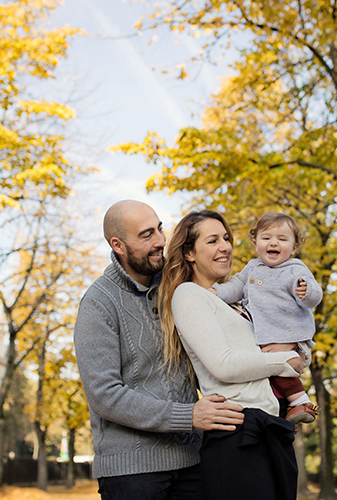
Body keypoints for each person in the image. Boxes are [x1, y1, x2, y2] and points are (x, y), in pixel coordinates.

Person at [74, 200, 245, 500]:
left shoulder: (178, 287)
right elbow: (104, 395)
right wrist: (187, 416)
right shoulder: (98, 303)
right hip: (132, 473)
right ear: (118, 245)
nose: (160, 241)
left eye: (160, 229)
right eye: (146, 235)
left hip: (193, 462)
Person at [158, 210, 306, 500]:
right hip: (237, 434)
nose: (225, 246)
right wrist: (285, 362)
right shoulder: (188, 295)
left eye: (226, 238)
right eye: (212, 240)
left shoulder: (237, 301)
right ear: (189, 253)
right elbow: (223, 365)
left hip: (269, 428)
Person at [212, 212, 322, 424]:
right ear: (255, 243)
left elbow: (314, 295)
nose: (274, 243)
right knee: (265, 376)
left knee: (275, 363)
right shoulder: (253, 267)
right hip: (263, 336)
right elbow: (236, 286)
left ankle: (300, 400)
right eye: (266, 238)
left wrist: (307, 291)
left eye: (282, 239)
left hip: (289, 337)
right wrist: (217, 293)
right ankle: (285, 415)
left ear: (294, 247)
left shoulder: (295, 270)